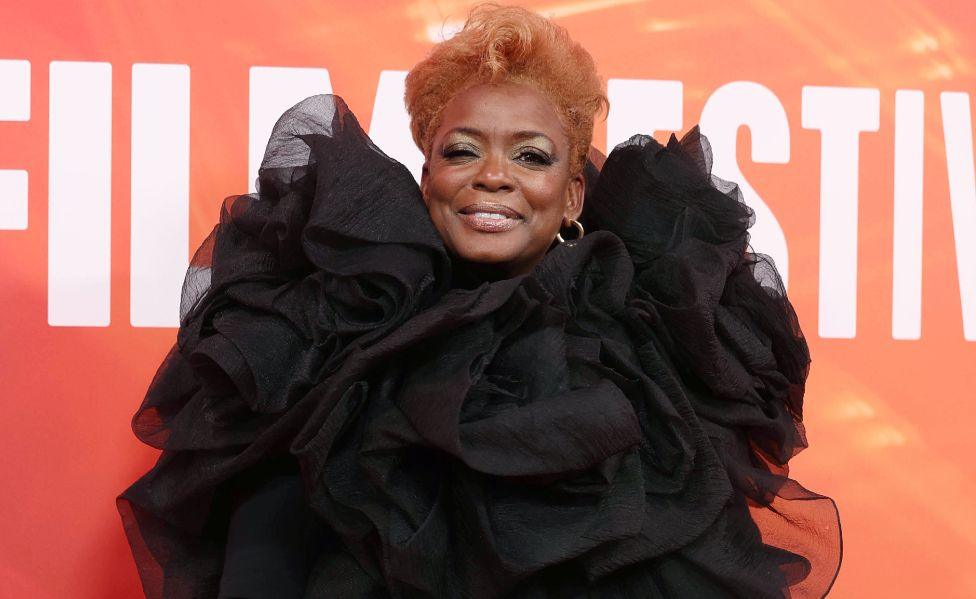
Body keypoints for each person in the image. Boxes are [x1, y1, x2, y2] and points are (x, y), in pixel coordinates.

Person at [117, 3, 842, 598]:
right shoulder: (340, 336)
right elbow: (261, 564)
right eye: (462, 150)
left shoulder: (646, 370)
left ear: (573, 195)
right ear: (425, 174)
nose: (493, 175)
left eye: (531, 155)